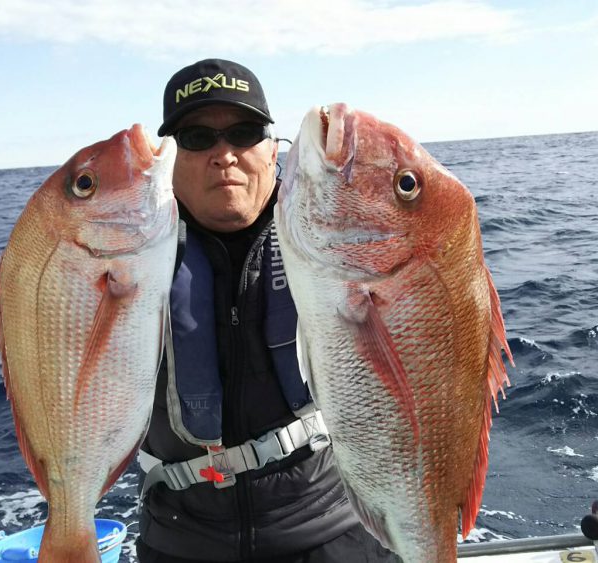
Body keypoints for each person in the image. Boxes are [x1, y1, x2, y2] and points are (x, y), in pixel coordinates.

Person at [136, 58, 400, 562]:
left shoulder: (336, 238)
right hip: (180, 539)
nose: (224, 155)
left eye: (244, 133)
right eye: (196, 138)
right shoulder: (124, 256)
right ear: (169, 156)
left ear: (273, 146)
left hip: (333, 526)